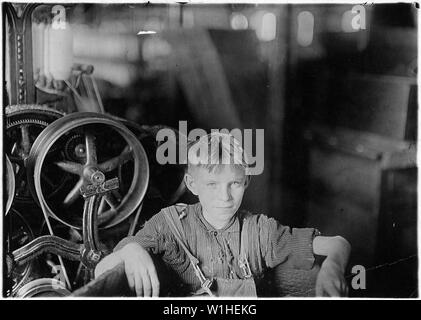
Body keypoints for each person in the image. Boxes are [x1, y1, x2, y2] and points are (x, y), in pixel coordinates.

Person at [95, 132, 351, 297]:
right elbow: (101, 273)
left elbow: (338, 243)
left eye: (234, 184)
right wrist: (130, 250)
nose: (225, 197)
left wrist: (333, 266)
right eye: (212, 185)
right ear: (192, 185)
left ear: (246, 181)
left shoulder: (260, 232)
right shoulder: (169, 225)